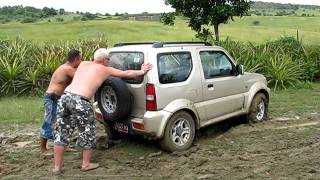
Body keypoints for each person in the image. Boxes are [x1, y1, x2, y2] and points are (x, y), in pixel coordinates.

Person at [53, 48, 152, 173]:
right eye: (108, 60)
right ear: (105, 60)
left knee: (62, 132)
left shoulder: (83, 64)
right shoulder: (105, 69)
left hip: (65, 97)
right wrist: (142, 71)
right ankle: (86, 164)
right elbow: (127, 74)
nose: (109, 62)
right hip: (80, 101)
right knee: (87, 132)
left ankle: (57, 167)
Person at [39, 49, 82, 156]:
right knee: (50, 121)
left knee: (63, 121)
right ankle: (43, 149)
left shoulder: (65, 67)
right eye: (80, 59)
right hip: (52, 98)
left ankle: (63, 145)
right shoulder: (67, 69)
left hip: (59, 98)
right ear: (76, 59)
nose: (81, 61)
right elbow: (80, 78)